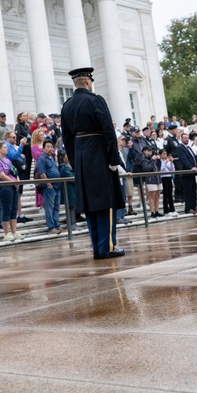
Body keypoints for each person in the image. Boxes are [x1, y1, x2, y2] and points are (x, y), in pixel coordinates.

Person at [60, 67, 125, 259]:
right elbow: (108, 130)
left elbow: (67, 139)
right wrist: (113, 158)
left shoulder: (67, 106)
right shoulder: (96, 100)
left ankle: (97, 247)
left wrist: (74, 162)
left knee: (90, 205)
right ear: (88, 82)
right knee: (106, 202)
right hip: (99, 154)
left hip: (80, 157)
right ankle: (108, 247)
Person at [35, 138, 63, 234]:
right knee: (49, 208)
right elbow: (42, 173)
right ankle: (51, 227)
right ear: (43, 149)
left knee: (56, 207)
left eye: (51, 147)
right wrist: (48, 183)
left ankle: (56, 225)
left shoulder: (52, 158)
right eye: (47, 147)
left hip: (57, 186)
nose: (50, 149)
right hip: (49, 187)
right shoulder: (42, 159)